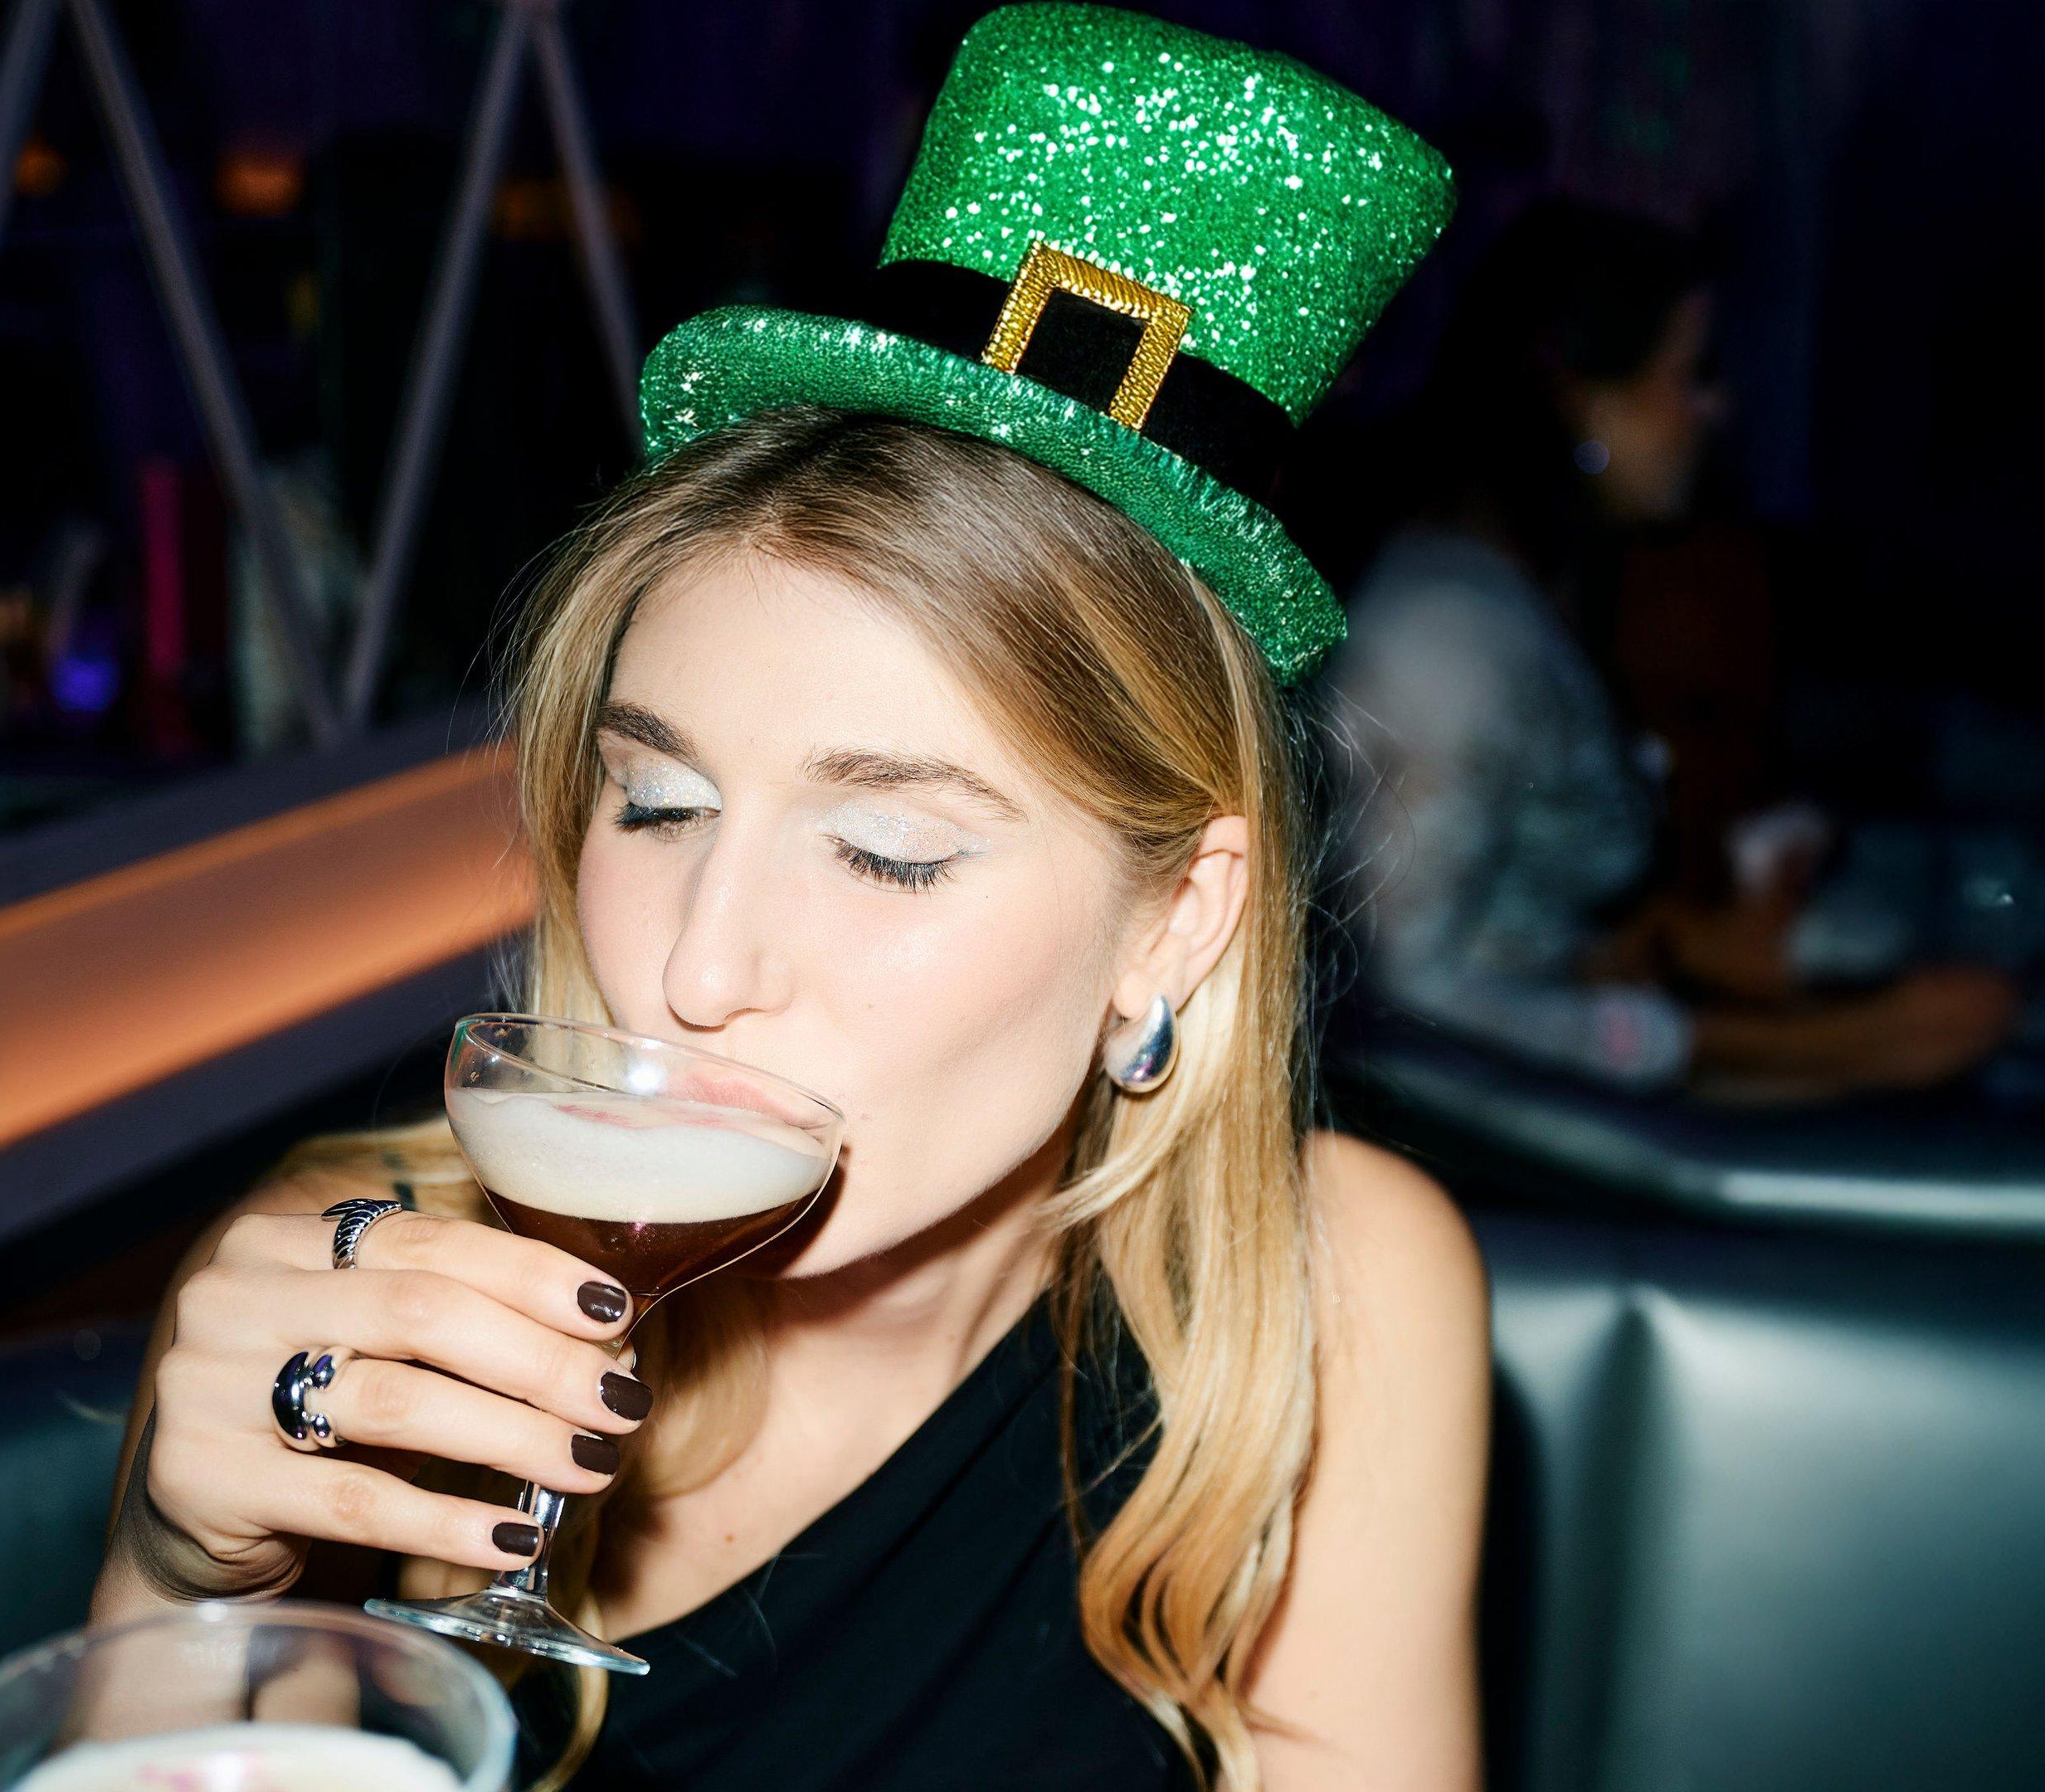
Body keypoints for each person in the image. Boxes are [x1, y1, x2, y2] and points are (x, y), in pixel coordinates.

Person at [90, 11, 1484, 1789]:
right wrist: (178, 1568)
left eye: (890, 850)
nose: (692, 964)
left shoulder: (1327, 1291)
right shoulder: (366, 1299)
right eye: (656, 802)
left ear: (1177, 921)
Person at [1327, 199, 2016, 1100]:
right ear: (1579, 395)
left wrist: (1666, 949)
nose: (1714, 410)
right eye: (1691, 374)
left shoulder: (1525, 593)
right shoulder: (1449, 637)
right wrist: (1837, 1045)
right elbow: (1396, 1000)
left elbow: (1511, 927)